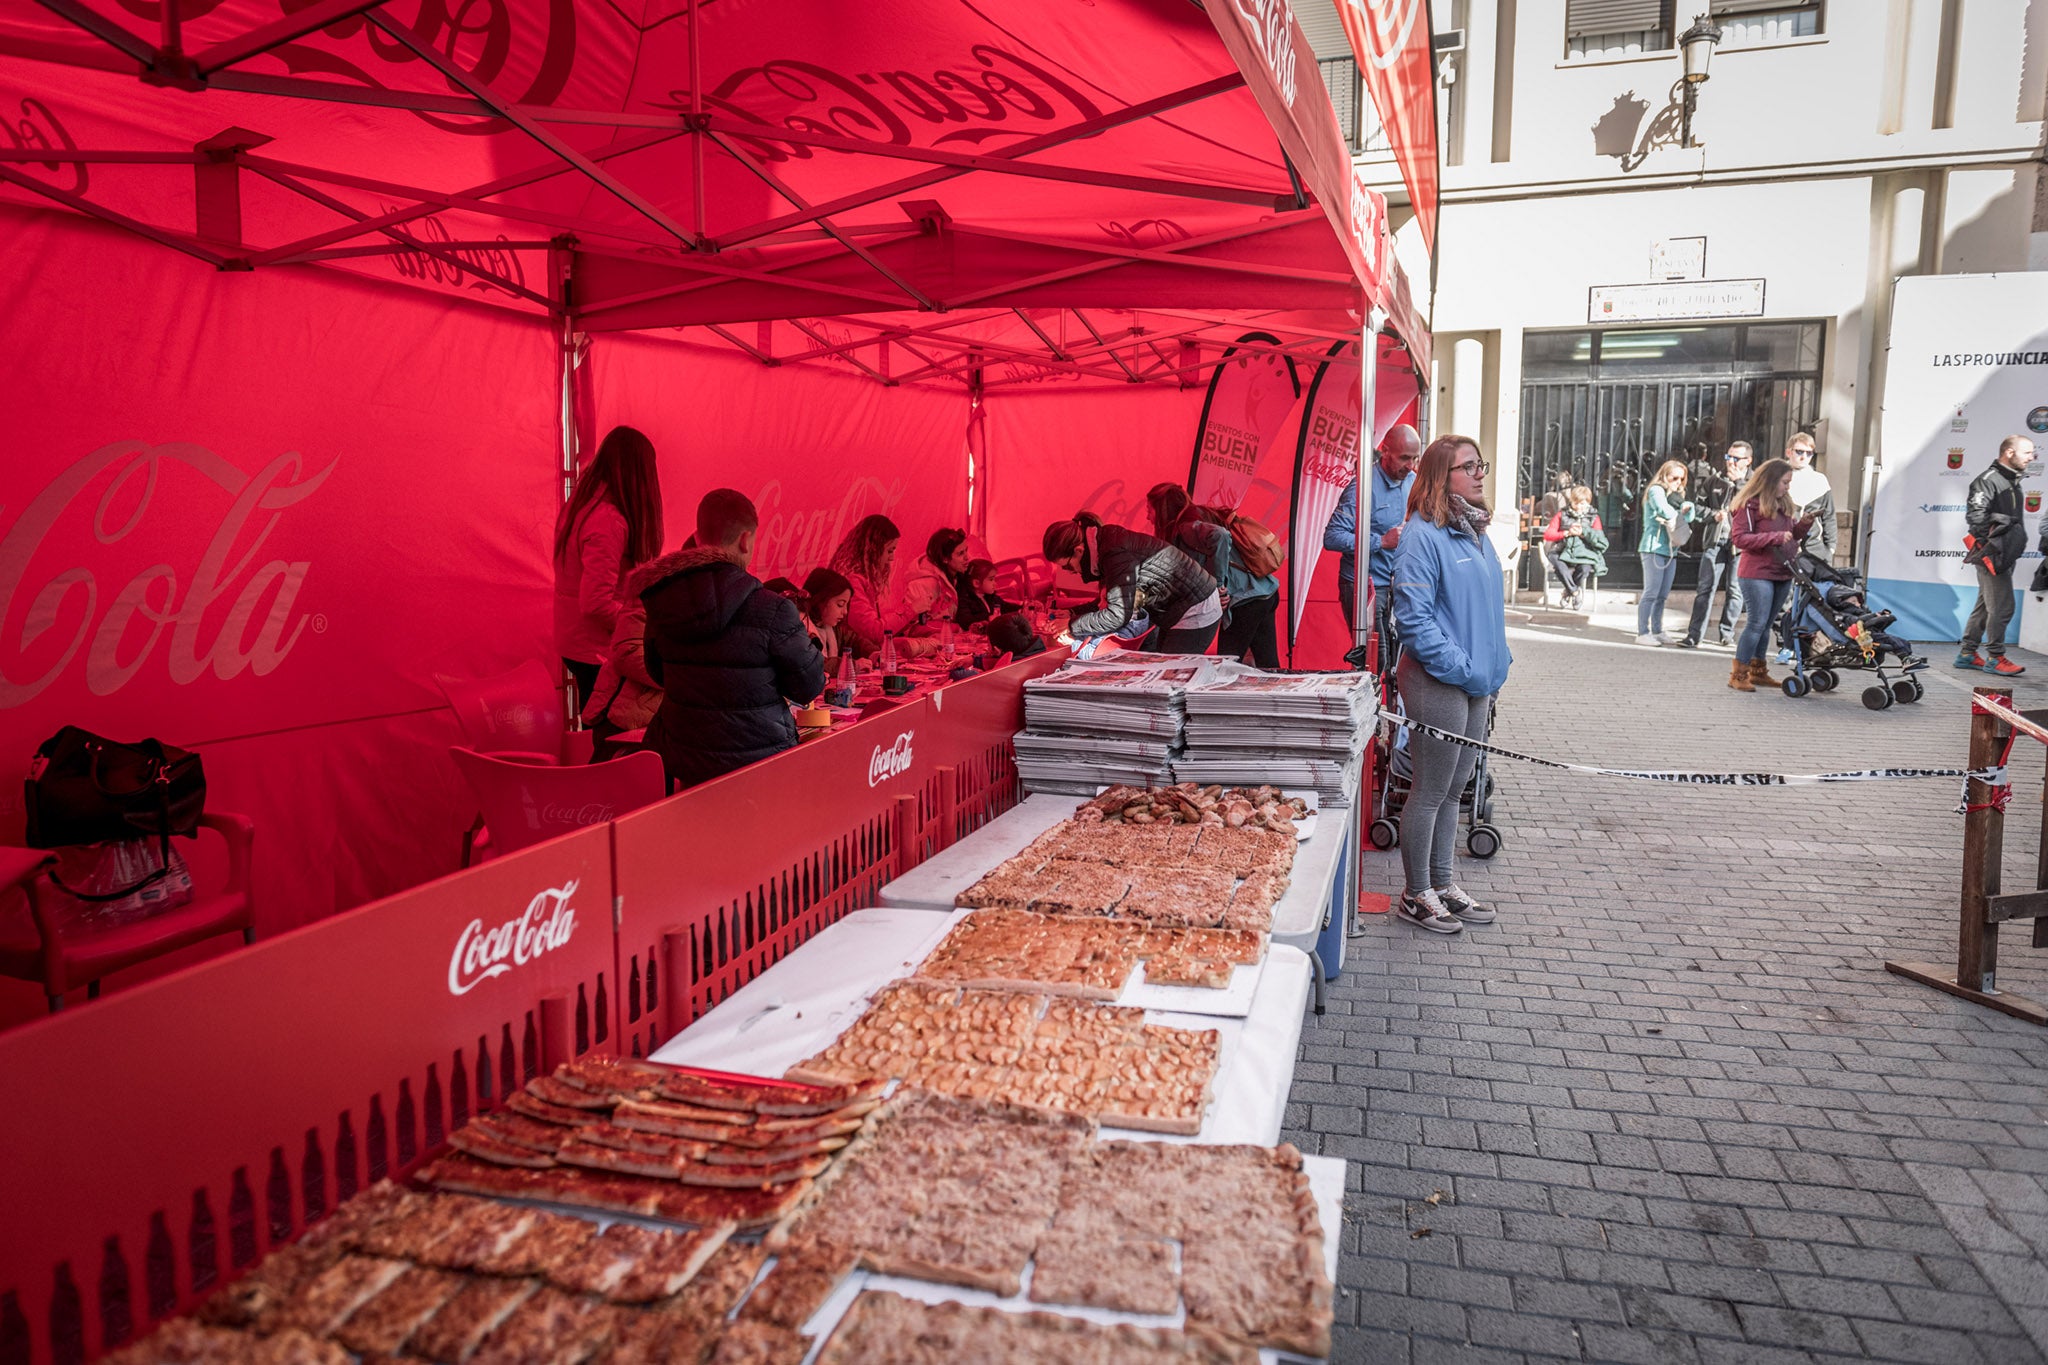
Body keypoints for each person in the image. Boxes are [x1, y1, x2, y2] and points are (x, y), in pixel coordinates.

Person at [1389, 435, 1510, 936]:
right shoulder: (1422, 535)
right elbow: (1413, 620)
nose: (1480, 472)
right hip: (1438, 680)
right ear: (1442, 477)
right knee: (1431, 788)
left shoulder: (1477, 533)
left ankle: (1442, 883)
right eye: (1468, 466)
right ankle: (1416, 894)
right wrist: (1462, 667)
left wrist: (1497, 663)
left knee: (1457, 789)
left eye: (1480, 463)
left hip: (1477, 682)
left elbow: (1489, 612)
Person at [638, 489, 826, 789]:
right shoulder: (774, 608)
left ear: (698, 539)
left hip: (688, 761)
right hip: (762, 762)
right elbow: (808, 686)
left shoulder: (665, 603)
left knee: (700, 835)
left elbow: (656, 671)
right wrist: (812, 646)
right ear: (745, 540)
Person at [553, 425, 663, 711]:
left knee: (594, 725)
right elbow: (595, 603)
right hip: (596, 650)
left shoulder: (583, 506)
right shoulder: (608, 521)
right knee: (609, 733)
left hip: (578, 644)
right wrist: (642, 625)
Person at [1042, 512, 1223, 653]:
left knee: (1171, 679)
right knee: (1166, 672)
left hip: (1196, 609)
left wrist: (1071, 625)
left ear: (1078, 551)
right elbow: (1106, 603)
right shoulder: (1106, 545)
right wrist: (1071, 613)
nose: (1071, 572)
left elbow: (1117, 615)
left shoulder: (1114, 553)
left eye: (1067, 566)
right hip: (1180, 607)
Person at [1146, 484, 1281, 666]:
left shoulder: (1187, 527)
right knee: (1268, 664)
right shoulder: (1201, 515)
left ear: (1162, 509)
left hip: (1246, 599)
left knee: (1227, 663)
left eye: (1150, 509)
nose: (1148, 516)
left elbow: (1221, 536)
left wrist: (1216, 587)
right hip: (1264, 590)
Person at [1324, 423, 1422, 638]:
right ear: (1385, 451)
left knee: (1395, 661)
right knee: (1374, 660)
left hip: (1399, 586)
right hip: (1364, 587)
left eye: (1415, 458)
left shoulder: (1413, 482)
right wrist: (1381, 541)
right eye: (1405, 457)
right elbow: (1332, 537)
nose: (1411, 465)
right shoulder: (1361, 486)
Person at [1727, 458, 1814, 692]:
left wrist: (1803, 525)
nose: (1788, 487)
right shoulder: (1748, 505)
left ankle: (1758, 671)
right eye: (1785, 482)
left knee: (1765, 625)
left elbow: (1791, 534)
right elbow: (1740, 539)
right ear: (1771, 481)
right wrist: (1774, 538)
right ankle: (1739, 674)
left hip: (1782, 571)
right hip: (1757, 572)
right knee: (1756, 623)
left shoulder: (1784, 504)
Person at [1958, 434, 2037, 675]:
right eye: (2027, 452)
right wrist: (1993, 546)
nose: (2032, 457)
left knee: (1985, 605)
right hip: (1991, 555)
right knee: (2003, 607)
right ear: (2009, 453)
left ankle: (1967, 653)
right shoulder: (1988, 480)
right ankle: (1995, 657)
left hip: (2005, 555)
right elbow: (1976, 517)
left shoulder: (2012, 481)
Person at [1678, 442, 1752, 649]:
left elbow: (1755, 507)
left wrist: (1738, 484)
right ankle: (1694, 635)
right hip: (1716, 540)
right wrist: (1713, 515)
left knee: (1735, 590)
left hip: (1740, 544)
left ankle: (1727, 633)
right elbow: (1698, 506)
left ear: (1748, 461)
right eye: (1729, 457)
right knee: (1705, 588)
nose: (1731, 463)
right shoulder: (1714, 480)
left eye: (1736, 459)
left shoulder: (1754, 483)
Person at [829, 514, 912, 657]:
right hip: (852, 659)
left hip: (862, 655)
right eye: (890, 551)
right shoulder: (853, 580)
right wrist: (910, 610)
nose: (892, 558)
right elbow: (874, 631)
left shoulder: (864, 577)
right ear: (874, 549)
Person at [1635, 460, 1696, 645]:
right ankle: (1643, 632)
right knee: (1651, 592)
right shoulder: (1656, 490)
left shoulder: (1675, 495)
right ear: (1664, 476)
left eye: (1682, 479)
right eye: (1674, 477)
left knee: (1662, 594)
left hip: (1670, 549)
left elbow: (1689, 518)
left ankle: (1658, 629)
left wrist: (1688, 508)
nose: (1678, 482)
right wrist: (1682, 510)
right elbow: (1664, 510)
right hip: (1653, 547)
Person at [1539, 485, 1607, 610]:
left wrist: (1583, 533)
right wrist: (1566, 533)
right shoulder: (1562, 514)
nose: (1579, 507)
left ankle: (1568, 591)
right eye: (1576, 503)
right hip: (1562, 549)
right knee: (1558, 564)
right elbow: (1549, 534)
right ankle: (1575, 592)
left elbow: (1599, 538)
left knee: (1585, 568)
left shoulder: (1594, 517)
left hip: (1584, 551)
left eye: (1582, 504)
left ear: (1588, 502)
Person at [898, 527, 970, 626]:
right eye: (960, 553)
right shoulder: (925, 583)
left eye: (966, 550)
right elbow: (914, 626)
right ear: (945, 558)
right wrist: (955, 628)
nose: (967, 557)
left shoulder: (958, 577)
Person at [1784, 433, 1836, 562]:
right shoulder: (1776, 477)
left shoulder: (1819, 480)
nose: (1804, 457)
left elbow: (1829, 516)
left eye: (1809, 453)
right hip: (1783, 547)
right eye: (1799, 452)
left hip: (1814, 549)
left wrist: (1831, 548)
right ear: (1789, 452)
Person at [800, 566, 852, 659]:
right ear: (820, 600)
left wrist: (874, 653)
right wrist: (850, 665)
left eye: (846, 605)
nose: (845, 612)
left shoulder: (832, 628)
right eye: (840, 604)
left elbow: (853, 640)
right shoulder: (800, 629)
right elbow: (816, 663)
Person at [954, 559, 1016, 630]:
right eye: (991, 579)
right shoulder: (965, 600)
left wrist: (1021, 608)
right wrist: (987, 617)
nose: (994, 583)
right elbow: (965, 621)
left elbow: (1005, 607)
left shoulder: (991, 598)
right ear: (976, 583)